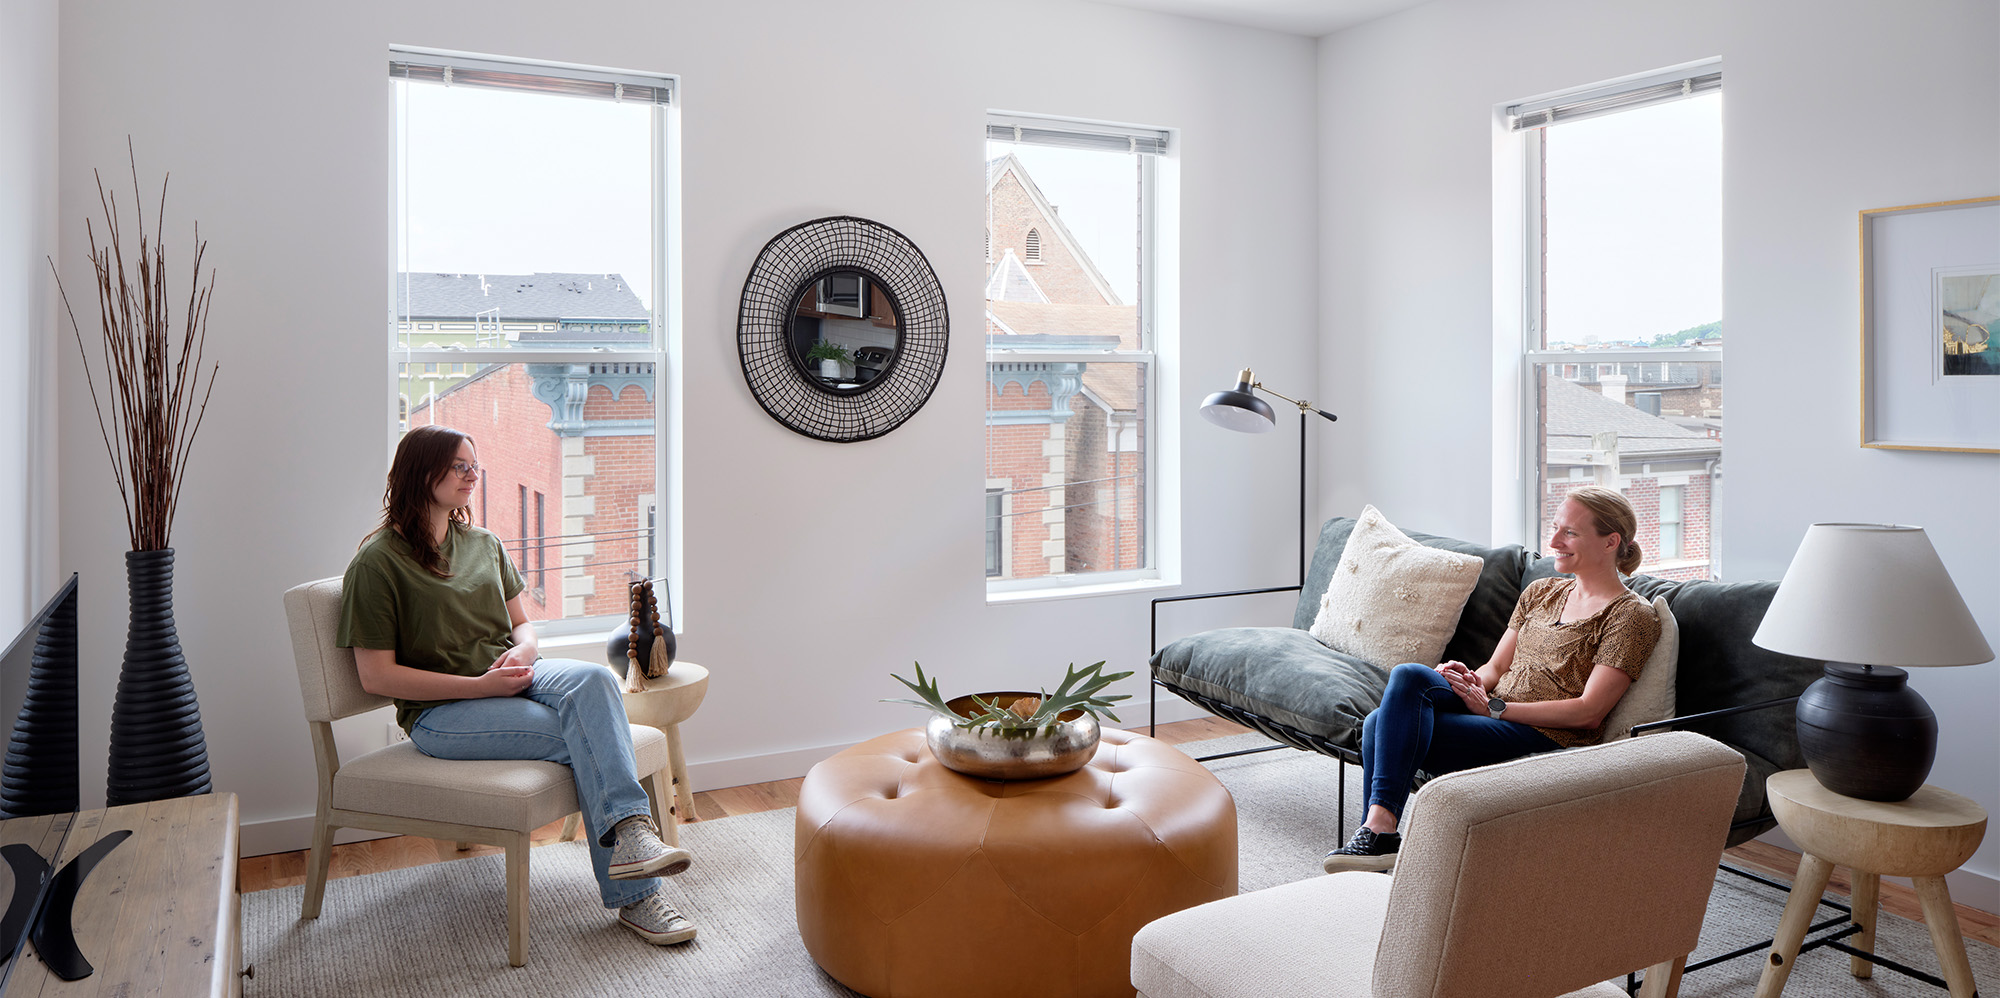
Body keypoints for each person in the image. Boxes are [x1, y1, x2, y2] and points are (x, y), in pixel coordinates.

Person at [336, 424, 699, 945]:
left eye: (473, 465)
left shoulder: (483, 543)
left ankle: (632, 839)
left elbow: (523, 625)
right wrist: (481, 688)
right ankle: (638, 895)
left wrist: (524, 650)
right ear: (422, 472)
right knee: (591, 737)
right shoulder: (377, 564)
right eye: (460, 466)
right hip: (443, 713)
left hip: (512, 674)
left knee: (595, 679)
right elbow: (376, 676)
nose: (472, 475)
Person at [1321, 486, 1662, 874]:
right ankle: (1379, 833)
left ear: (1610, 541)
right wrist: (1470, 680)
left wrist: (1496, 709)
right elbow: (1496, 669)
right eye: (1554, 528)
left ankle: (1380, 836)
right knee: (1411, 676)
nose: (1553, 542)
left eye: (1569, 532)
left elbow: (1589, 712)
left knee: (1378, 724)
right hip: (1492, 709)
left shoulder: (1631, 616)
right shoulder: (1541, 592)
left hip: (1544, 733)